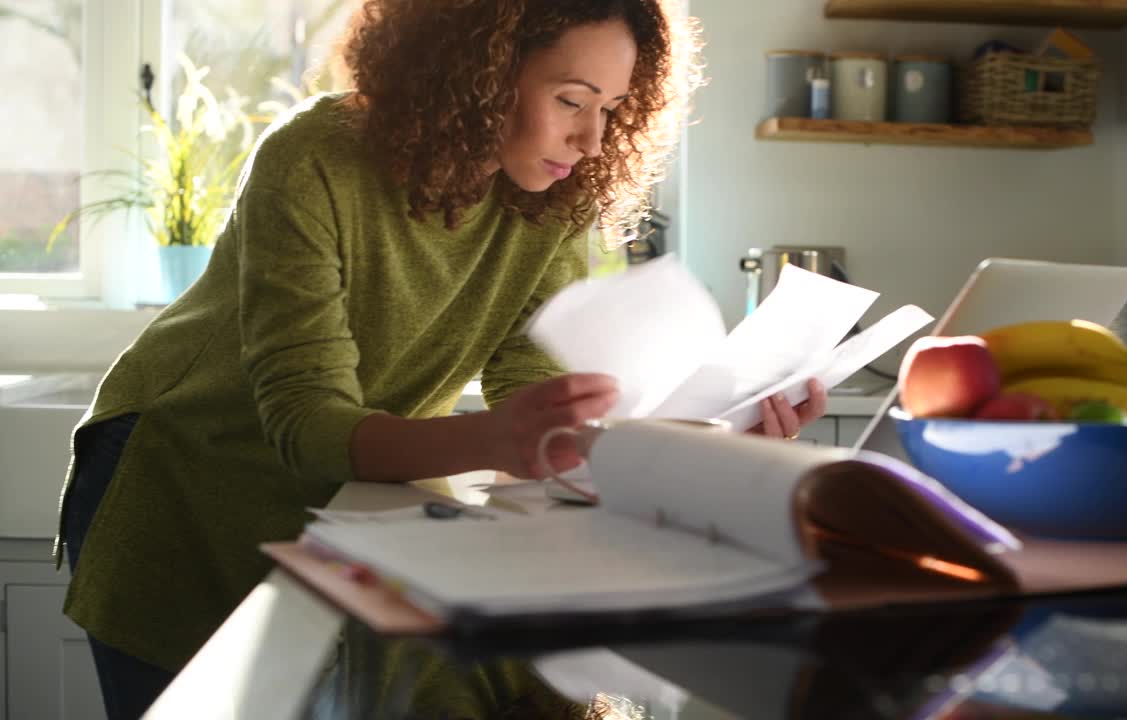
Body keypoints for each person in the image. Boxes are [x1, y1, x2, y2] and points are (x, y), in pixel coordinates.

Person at [55, 0, 828, 717]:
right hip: (179, 474)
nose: (593, 139)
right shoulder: (311, 160)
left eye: (611, 109)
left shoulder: (551, 199)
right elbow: (305, 418)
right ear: (480, 76)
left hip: (355, 488)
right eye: (571, 99)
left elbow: (548, 411)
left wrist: (713, 445)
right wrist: (496, 439)